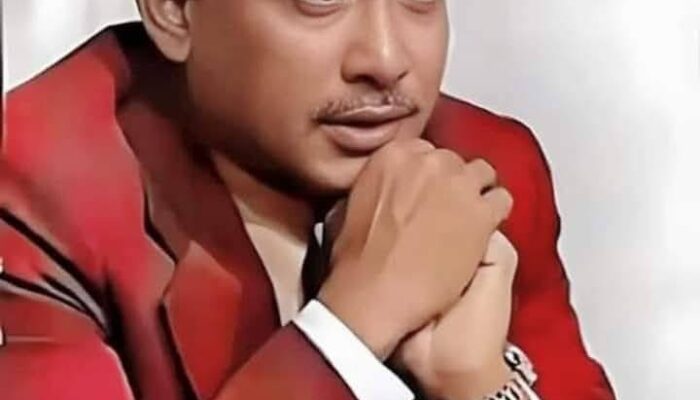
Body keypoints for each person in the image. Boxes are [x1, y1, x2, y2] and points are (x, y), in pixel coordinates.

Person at [0, 1, 615, 399]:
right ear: (175, 11)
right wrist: (352, 327)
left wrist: (481, 386)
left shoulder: (484, 168)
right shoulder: (32, 187)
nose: (386, 60)